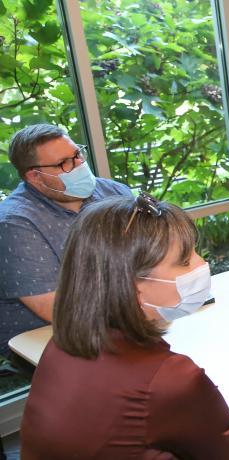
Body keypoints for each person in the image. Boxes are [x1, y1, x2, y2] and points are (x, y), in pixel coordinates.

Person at [21, 195, 229, 459]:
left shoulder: (60, 346)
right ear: (133, 287)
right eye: (184, 261)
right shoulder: (172, 381)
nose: (202, 265)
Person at [0, 124, 132, 359]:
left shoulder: (113, 192)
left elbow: (156, 253)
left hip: (123, 317)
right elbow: (55, 308)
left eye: (77, 154)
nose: (79, 165)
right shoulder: (15, 223)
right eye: (64, 163)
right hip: (48, 335)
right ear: (35, 176)